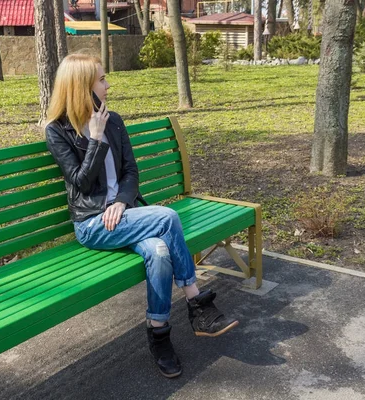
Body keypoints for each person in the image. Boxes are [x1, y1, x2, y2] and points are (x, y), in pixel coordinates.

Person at [45, 53, 238, 378]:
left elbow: (131, 171)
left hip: (124, 216)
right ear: (82, 87)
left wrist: (121, 200)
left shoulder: (115, 121)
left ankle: (159, 333)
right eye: (102, 80)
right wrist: (94, 138)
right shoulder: (58, 131)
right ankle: (196, 302)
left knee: (160, 252)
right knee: (166, 218)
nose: (107, 85)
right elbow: (80, 181)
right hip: (92, 224)